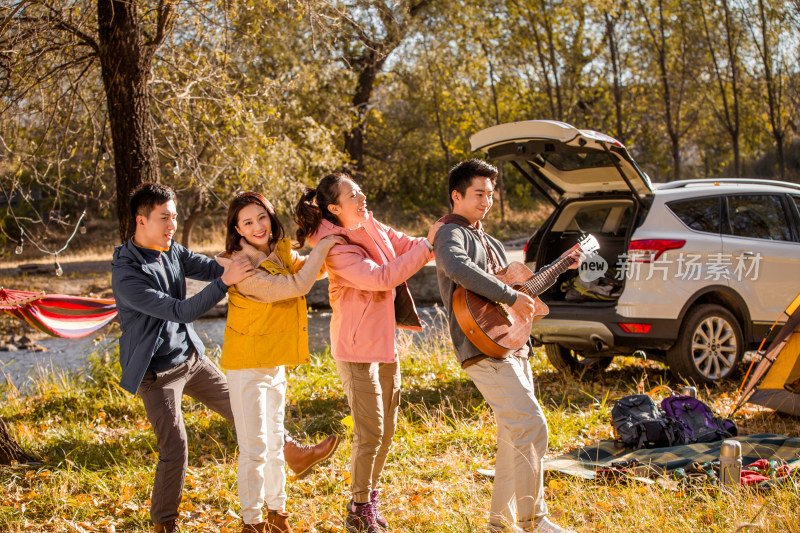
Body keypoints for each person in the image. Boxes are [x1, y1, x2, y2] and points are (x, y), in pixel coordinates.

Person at [111, 183, 338, 533]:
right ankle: (165, 523)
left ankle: (289, 462)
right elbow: (181, 310)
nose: (172, 224)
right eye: (164, 218)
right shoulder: (128, 274)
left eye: (174, 216)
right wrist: (228, 279)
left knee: (251, 422)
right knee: (176, 447)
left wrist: (244, 260)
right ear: (141, 221)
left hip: (191, 359)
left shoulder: (171, 249)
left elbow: (210, 265)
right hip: (156, 371)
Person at [433, 160, 580, 533]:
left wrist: (562, 266)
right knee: (532, 427)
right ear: (457, 195)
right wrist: (510, 297)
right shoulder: (451, 233)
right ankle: (535, 520)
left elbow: (521, 291)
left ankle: (501, 524)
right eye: (479, 193)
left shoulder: (493, 243)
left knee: (513, 435)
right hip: (482, 347)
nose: (487, 201)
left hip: (513, 347)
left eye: (491, 194)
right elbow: (457, 268)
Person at [294, 173, 441, 533]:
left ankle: (370, 500)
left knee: (387, 429)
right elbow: (380, 278)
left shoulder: (369, 223)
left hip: (384, 343)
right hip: (356, 347)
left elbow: (407, 244)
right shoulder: (334, 245)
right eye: (352, 194)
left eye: (360, 190)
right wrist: (427, 248)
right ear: (333, 207)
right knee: (370, 432)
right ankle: (358, 510)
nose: (362, 198)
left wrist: (437, 239)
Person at [215, 192, 344, 533]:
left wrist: (325, 242)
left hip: (273, 365)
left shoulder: (276, 254)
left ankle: (278, 515)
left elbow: (311, 272)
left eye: (262, 217)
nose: (258, 226)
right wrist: (326, 244)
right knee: (255, 450)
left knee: (274, 445)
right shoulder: (239, 266)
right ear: (237, 230)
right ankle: (252, 522)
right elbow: (298, 285)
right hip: (247, 367)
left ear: (271, 218)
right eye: (248, 222)